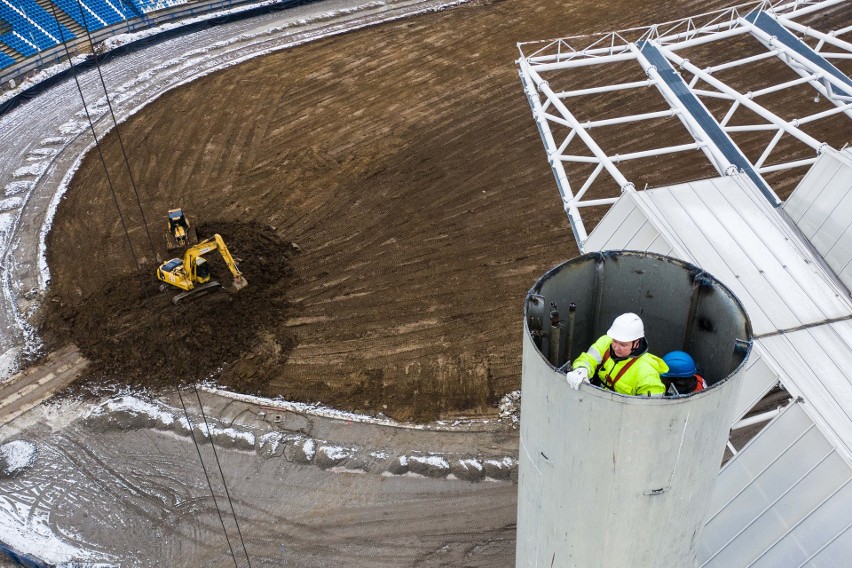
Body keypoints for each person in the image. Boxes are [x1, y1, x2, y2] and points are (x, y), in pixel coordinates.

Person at [565, 313, 668, 396]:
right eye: (615, 341)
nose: (616, 348)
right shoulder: (606, 341)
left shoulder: (646, 372)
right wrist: (581, 370)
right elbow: (588, 359)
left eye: (623, 345)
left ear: (636, 343)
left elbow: (651, 408)